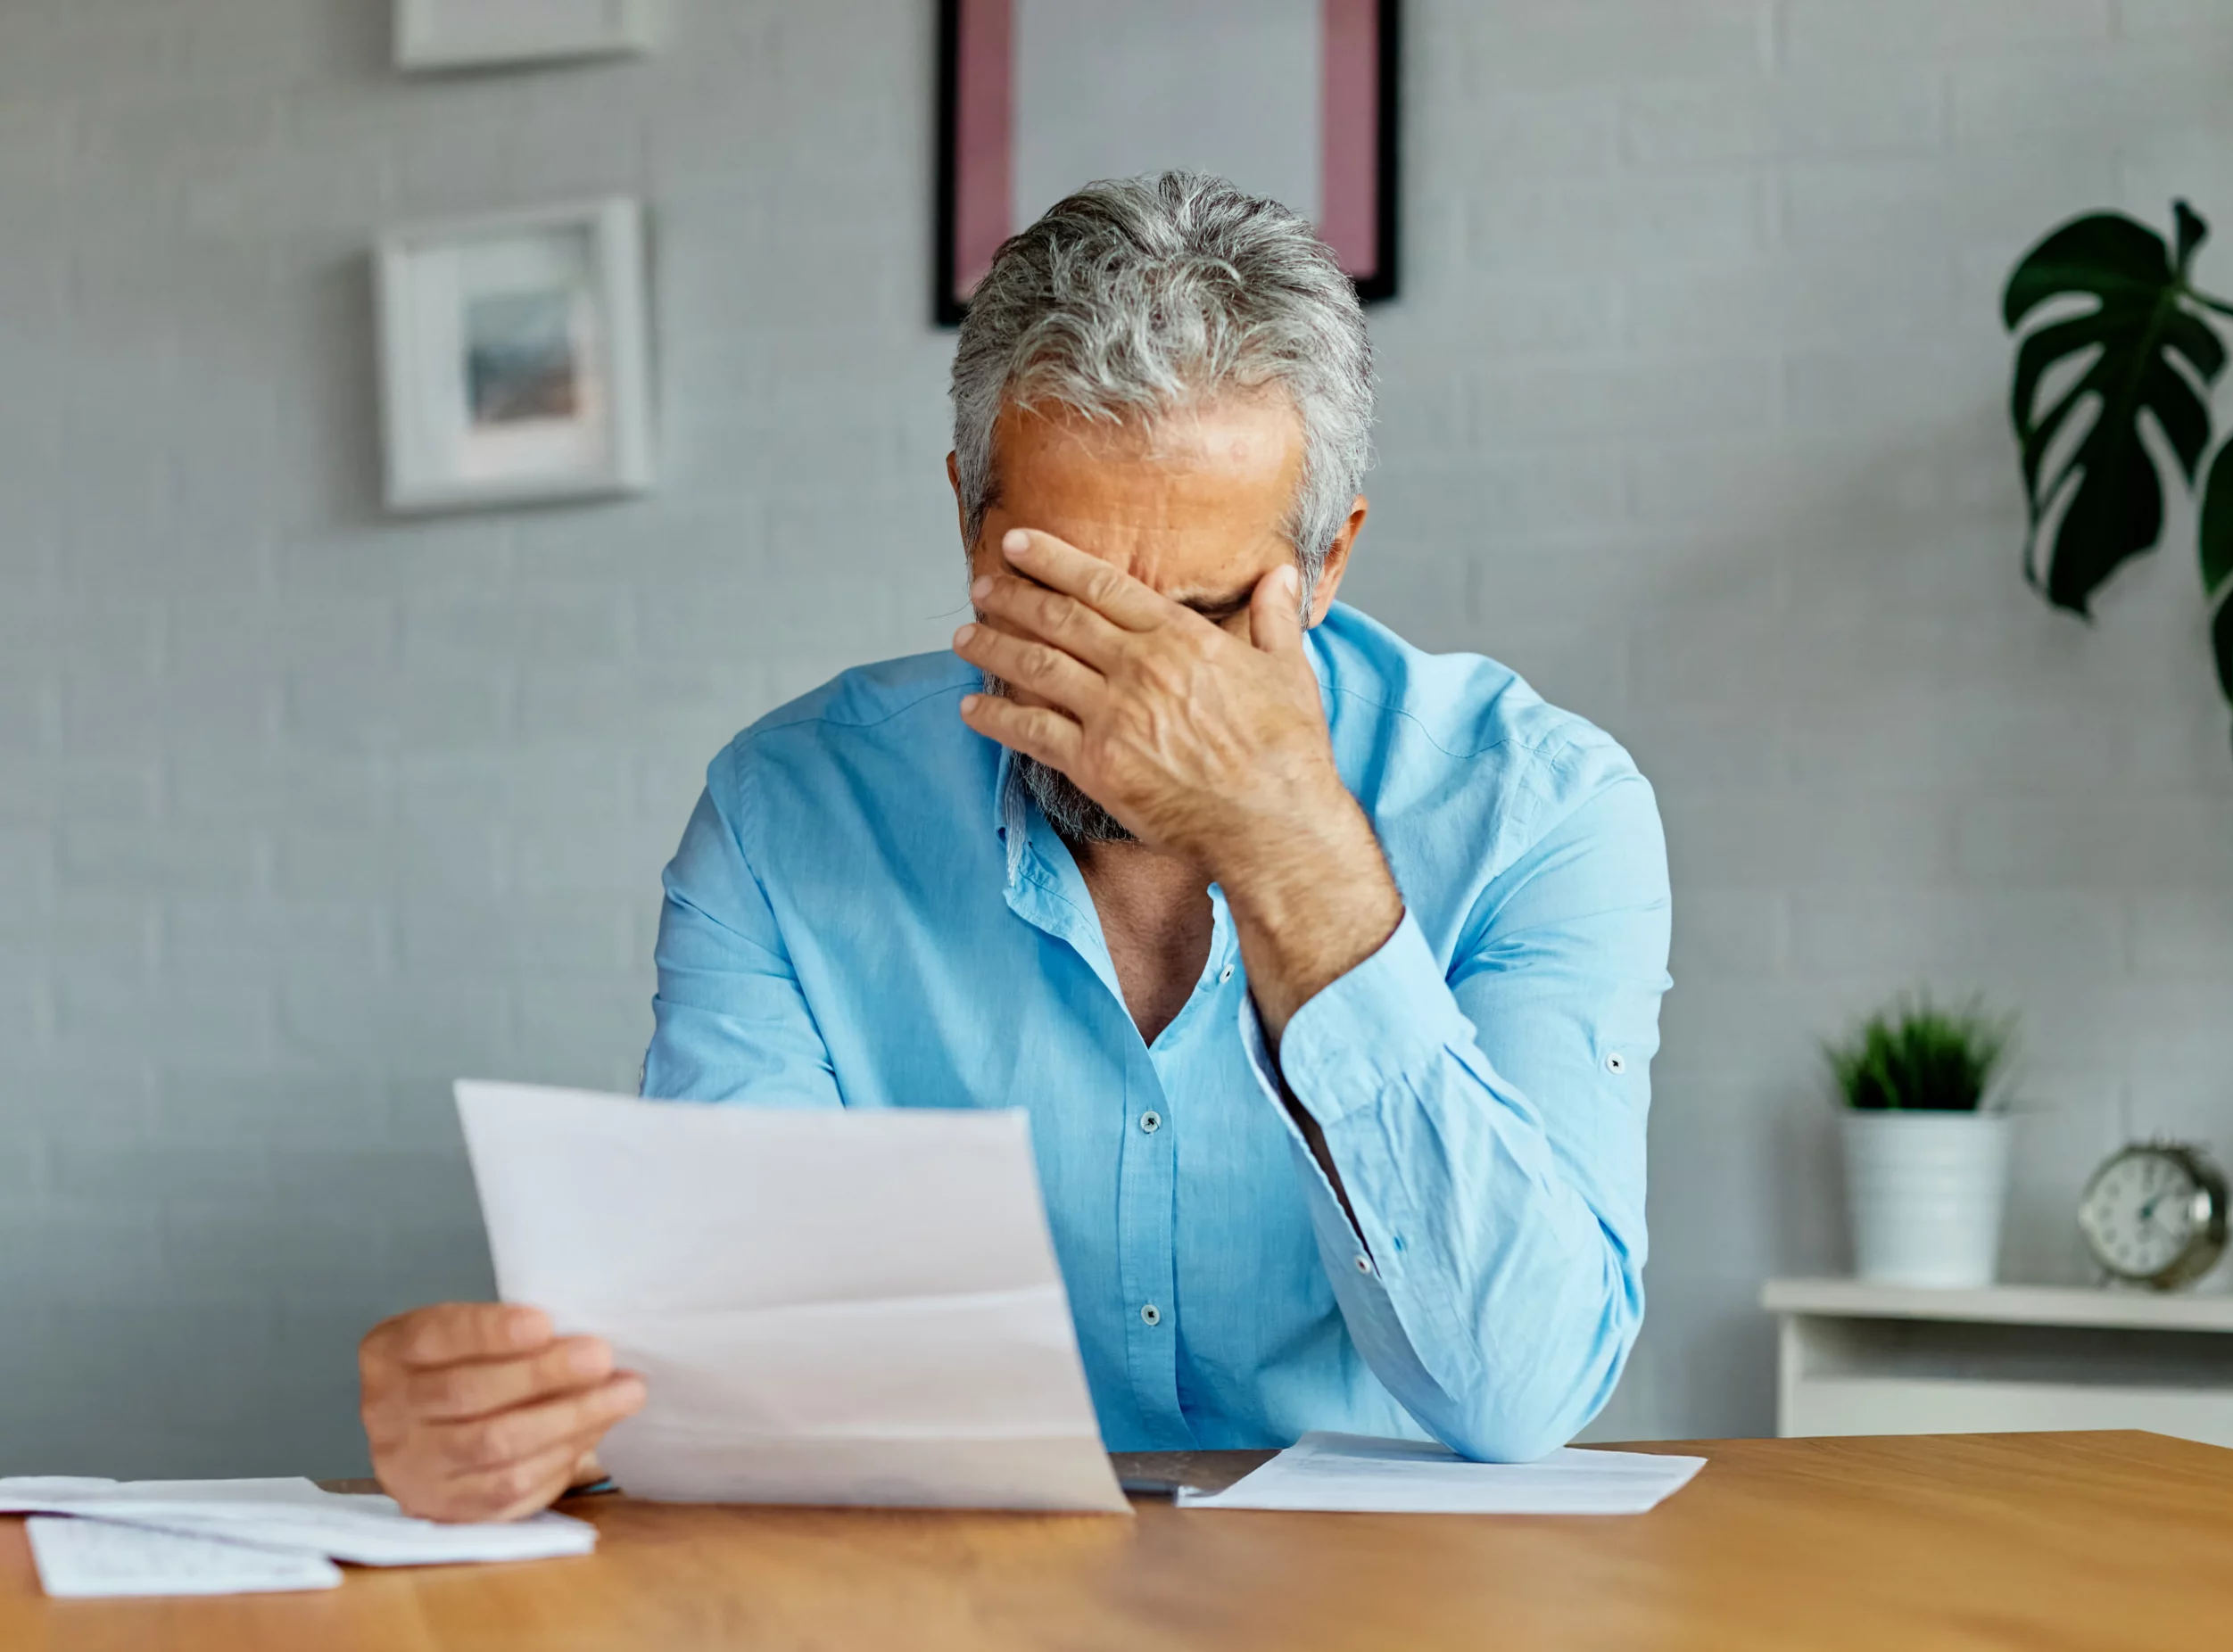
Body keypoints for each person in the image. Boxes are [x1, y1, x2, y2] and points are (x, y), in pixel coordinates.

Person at [359, 173, 1672, 1522]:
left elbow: (1521, 1395)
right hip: (951, 1592)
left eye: (1201, 620)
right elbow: (746, 1352)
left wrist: (1288, 845)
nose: (1130, 693)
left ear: (1328, 561)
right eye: (1057, 594)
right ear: (965, 517)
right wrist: (548, 1418)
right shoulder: (788, 816)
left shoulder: (1541, 810)